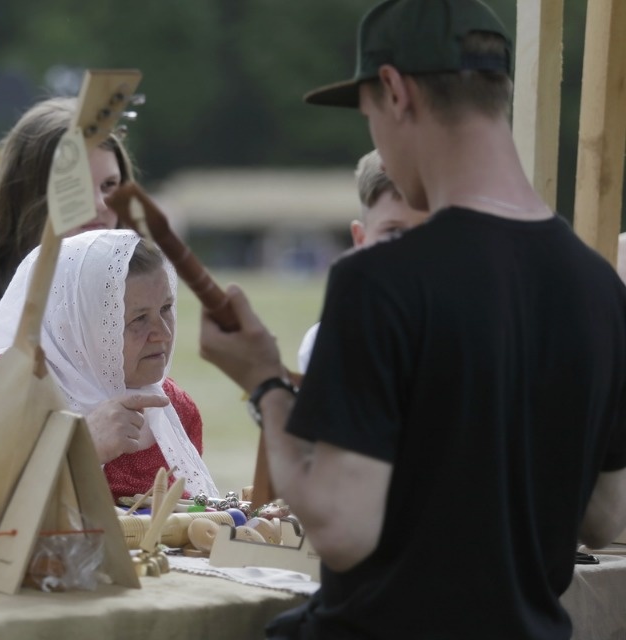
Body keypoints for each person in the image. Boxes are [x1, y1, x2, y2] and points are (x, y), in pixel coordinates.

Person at [198, 0, 626, 637]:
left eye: (368, 113)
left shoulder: (378, 279)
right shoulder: (598, 285)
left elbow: (343, 529)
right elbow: (607, 517)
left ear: (395, 92)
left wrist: (263, 381)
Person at [0, 229, 219, 502]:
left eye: (166, 309)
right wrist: (80, 449)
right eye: (138, 318)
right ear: (77, 326)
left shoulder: (174, 409)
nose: (164, 334)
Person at [0, 96, 135, 425]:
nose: (98, 205)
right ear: (29, 194)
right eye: (74, 186)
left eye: (109, 185)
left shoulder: (123, 306)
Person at [297, 148, 428, 372]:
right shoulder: (326, 342)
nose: (412, 249)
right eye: (393, 231)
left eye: (429, 231)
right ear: (361, 239)